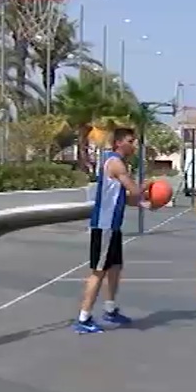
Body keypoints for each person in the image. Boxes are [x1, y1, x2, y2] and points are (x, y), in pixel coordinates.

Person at [74, 128, 152, 334]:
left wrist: (142, 204)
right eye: (130, 141)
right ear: (118, 143)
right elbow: (134, 190)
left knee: (115, 268)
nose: (133, 144)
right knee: (98, 273)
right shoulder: (116, 163)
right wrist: (149, 186)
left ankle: (110, 309)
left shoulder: (115, 162)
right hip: (104, 226)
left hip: (113, 225)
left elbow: (124, 197)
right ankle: (83, 317)